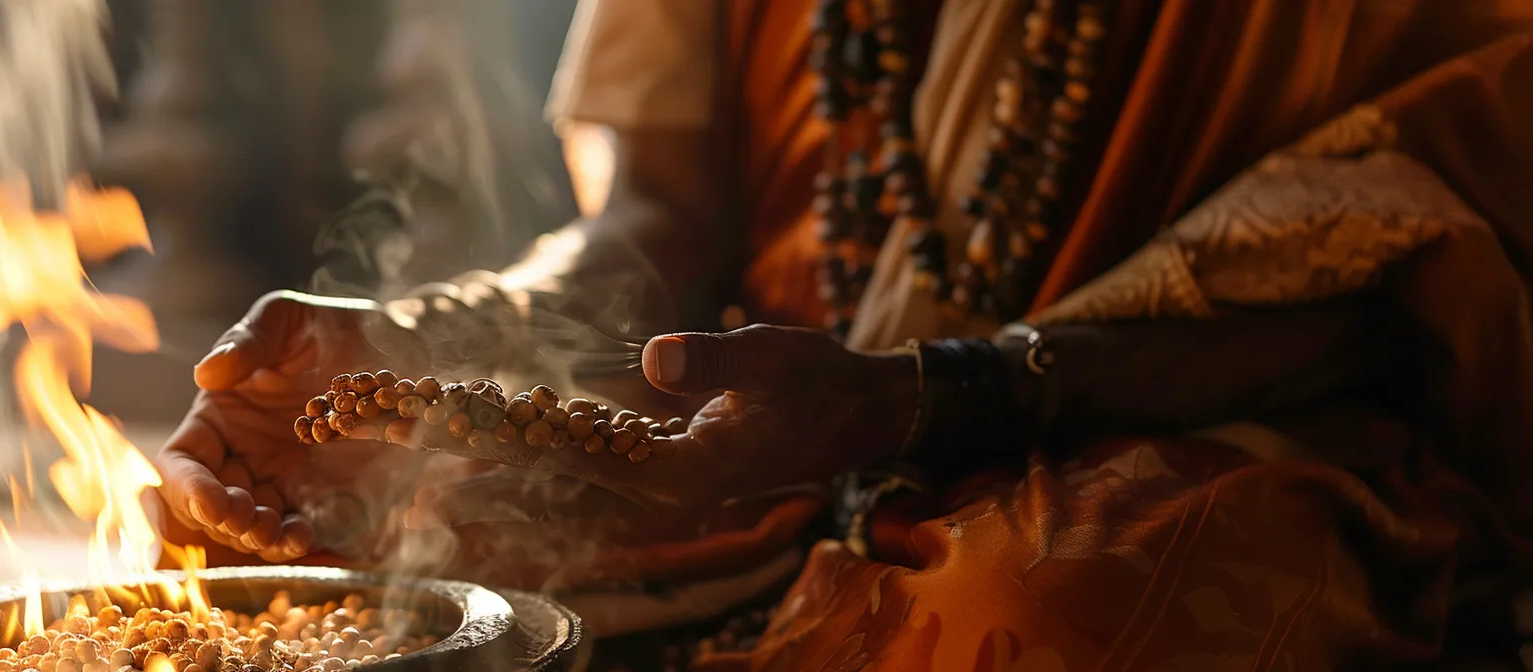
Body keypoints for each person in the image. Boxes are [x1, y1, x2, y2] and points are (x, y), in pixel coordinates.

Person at [154, 0, 1533, 668]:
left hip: (1190, 414)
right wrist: (427, 343)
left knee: (1030, 620)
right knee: (285, 550)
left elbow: (1382, 259)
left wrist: (931, 399)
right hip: (755, 433)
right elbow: (655, 219)